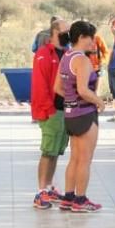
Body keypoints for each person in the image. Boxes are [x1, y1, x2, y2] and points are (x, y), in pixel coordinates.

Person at [55, 21, 106, 213]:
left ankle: (68, 198)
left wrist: (71, 101)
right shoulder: (82, 60)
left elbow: (58, 88)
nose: (93, 41)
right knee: (85, 160)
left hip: (70, 115)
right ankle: (80, 200)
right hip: (85, 114)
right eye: (91, 37)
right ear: (82, 37)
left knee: (75, 158)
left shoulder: (66, 57)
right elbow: (84, 90)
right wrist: (99, 101)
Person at [30, 17, 69, 209]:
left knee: (55, 152)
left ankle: (49, 187)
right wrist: (48, 110)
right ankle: (40, 191)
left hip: (64, 109)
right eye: (63, 32)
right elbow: (40, 84)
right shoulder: (44, 54)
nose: (67, 35)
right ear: (54, 33)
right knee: (47, 151)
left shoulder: (67, 53)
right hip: (51, 110)